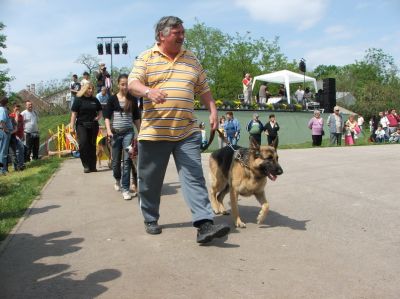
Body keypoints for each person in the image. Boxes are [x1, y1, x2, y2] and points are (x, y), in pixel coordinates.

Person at [128, 16, 230, 243]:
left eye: (183, 32)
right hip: (155, 133)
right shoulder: (146, 58)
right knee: (150, 182)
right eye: (177, 33)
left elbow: (204, 89)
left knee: (194, 177)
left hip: (187, 132)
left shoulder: (191, 59)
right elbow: (133, 84)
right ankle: (150, 217)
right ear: (162, 35)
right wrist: (148, 92)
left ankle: (204, 225)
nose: (182, 37)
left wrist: (212, 110)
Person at [104, 74, 141, 200]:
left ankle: (126, 189)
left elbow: (136, 118)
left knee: (127, 161)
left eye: (126, 84)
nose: (124, 87)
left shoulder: (132, 100)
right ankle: (117, 180)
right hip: (115, 133)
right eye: (122, 84)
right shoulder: (112, 99)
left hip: (128, 133)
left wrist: (140, 132)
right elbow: (107, 118)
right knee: (115, 162)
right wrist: (109, 131)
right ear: (118, 85)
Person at [69, 82, 103, 173]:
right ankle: (86, 165)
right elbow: (74, 114)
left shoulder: (95, 100)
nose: (91, 90)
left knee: (92, 145)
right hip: (81, 125)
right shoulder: (78, 99)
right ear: (85, 89)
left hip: (93, 125)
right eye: (89, 88)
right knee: (83, 144)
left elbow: (100, 111)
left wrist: (98, 117)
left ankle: (92, 166)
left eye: (92, 89)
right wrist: (72, 126)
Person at [9, 104, 25, 171]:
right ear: (13, 109)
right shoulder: (11, 116)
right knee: (14, 151)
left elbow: (21, 126)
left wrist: (23, 134)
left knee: (20, 150)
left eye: (18, 109)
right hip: (14, 136)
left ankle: (21, 164)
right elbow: (15, 124)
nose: (17, 110)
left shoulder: (21, 116)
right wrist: (16, 115)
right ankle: (16, 165)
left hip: (20, 135)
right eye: (16, 109)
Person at [0, 96, 13, 174]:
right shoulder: (3, 110)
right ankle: (3, 170)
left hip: (2, 131)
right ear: (6, 102)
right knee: (3, 152)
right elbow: (2, 121)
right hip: (4, 132)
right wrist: (6, 130)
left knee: (1, 151)